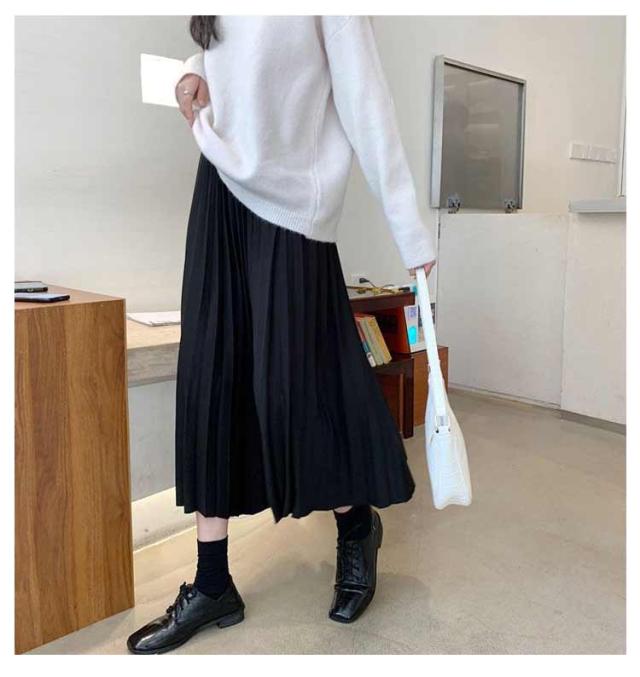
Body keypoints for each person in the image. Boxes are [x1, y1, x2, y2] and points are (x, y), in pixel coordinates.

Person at [127, 15, 436, 654]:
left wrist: (410, 228)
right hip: (219, 186)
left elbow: (365, 99)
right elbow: (228, 56)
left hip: (293, 208)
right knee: (212, 378)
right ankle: (213, 582)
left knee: (302, 386)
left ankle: (356, 526)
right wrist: (192, 71)